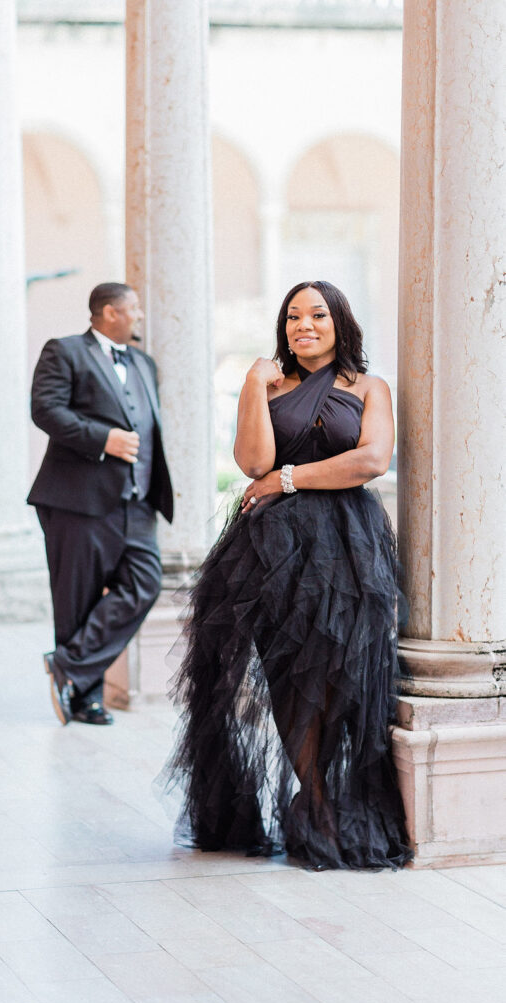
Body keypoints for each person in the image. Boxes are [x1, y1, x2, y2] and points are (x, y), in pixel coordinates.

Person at [161, 280, 412, 869]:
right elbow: (251, 462)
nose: (305, 325)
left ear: (339, 322)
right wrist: (252, 383)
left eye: (317, 314)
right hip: (272, 553)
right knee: (287, 676)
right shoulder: (271, 388)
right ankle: (316, 801)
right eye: (294, 316)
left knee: (339, 673)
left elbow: (372, 460)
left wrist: (289, 479)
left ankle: (340, 794)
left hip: (349, 548)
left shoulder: (370, 387)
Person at [28, 282, 174, 726]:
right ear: (109, 313)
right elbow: (44, 409)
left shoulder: (144, 364)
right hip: (78, 501)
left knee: (145, 585)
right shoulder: (66, 351)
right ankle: (85, 697)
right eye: (133, 309)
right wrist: (102, 439)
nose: (140, 317)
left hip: (138, 503)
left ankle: (69, 664)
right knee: (78, 599)